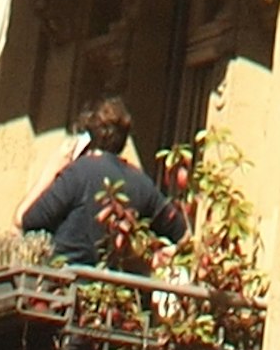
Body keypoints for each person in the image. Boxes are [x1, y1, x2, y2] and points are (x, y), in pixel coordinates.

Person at [20, 100, 175, 267]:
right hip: (118, 288)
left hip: (65, 286)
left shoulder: (78, 173)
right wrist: (154, 260)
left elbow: (27, 221)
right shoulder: (142, 183)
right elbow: (181, 233)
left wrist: (52, 170)